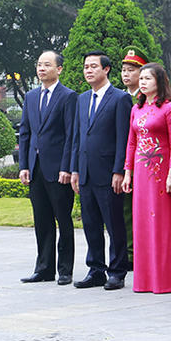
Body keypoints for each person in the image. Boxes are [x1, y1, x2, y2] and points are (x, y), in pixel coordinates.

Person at [122, 63, 171, 293]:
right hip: (141, 175)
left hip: (161, 174)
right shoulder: (136, 109)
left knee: (161, 224)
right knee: (142, 224)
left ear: (160, 81)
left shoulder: (170, 109)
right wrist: (128, 172)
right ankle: (145, 280)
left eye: (147, 78)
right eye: (141, 78)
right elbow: (131, 143)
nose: (142, 82)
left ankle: (167, 279)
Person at [69, 51, 132, 291]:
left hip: (108, 174)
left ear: (106, 69)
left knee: (114, 225)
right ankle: (96, 270)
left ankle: (117, 271)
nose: (88, 70)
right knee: (91, 224)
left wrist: (119, 170)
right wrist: (75, 169)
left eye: (93, 66)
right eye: (86, 66)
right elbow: (77, 137)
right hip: (86, 172)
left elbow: (123, 138)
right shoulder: (82, 99)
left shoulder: (120, 99)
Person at [17, 51, 77, 285]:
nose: (41, 68)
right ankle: (44, 269)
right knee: (41, 220)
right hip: (36, 168)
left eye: (47, 65)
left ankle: (65, 270)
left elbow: (71, 135)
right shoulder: (31, 97)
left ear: (59, 69)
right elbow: (25, 132)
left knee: (63, 220)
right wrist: (24, 165)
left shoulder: (68, 97)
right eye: (39, 64)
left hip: (59, 170)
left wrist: (67, 167)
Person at [120, 46, 151, 267]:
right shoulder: (119, 97)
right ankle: (128, 251)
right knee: (124, 211)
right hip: (124, 161)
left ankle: (136, 252)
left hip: (144, 161)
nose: (126, 74)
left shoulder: (146, 99)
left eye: (132, 70)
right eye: (124, 70)